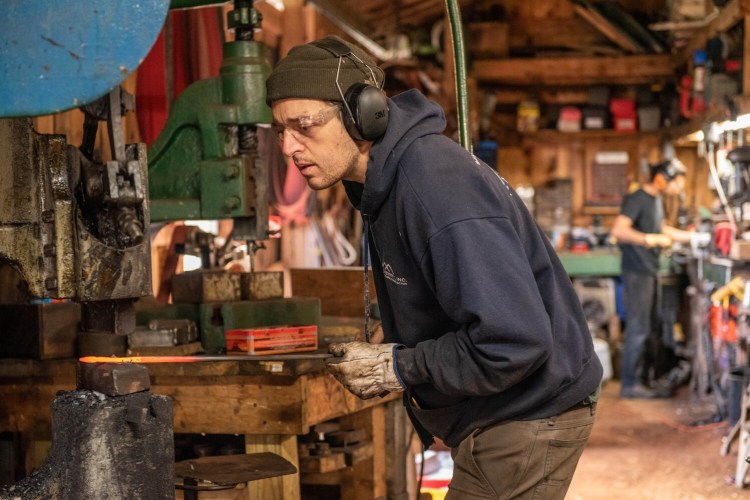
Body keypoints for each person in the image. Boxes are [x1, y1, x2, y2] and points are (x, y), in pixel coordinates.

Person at [266, 35, 603, 499]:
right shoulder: (382, 183)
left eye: (304, 126)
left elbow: (514, 340)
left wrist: (401, 366)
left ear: (362, 114)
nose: (287, 146)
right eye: (279, 130)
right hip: (501, 411)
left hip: (529, 412)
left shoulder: (433, 187)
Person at [611, 160, 698, 399]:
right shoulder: (638, 198)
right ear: (661, 178)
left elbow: (663, 230)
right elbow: (619, 230)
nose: (678, 188)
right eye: (676, 182)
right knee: (638, 328)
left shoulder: (656, 201)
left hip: (649, 270)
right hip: (637, 271)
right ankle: (630, 384)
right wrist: (648, 240)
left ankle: (645, 380)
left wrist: (692, 238)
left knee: (651, 327)